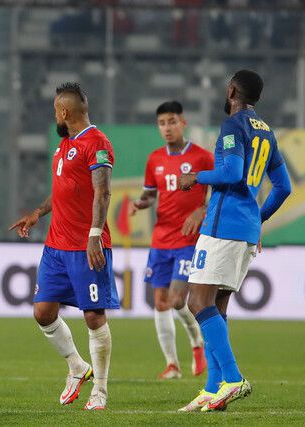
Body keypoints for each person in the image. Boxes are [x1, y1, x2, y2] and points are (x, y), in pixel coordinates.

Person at [178, 70, 291, 412]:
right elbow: (283, 187)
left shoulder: (233, 125)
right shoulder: (267, 132)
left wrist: (195, 176)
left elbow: (231, 174)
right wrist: (259, 219)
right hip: (244, 230)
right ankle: (215, 389)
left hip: (223, 226)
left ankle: (232, 377)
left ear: (231, 90)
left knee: (196, 302)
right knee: (217, 305)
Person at [10, 82, 118, 411]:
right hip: (56, 245)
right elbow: (63, 191)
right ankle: (76, 366)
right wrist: (38, 213)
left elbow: (103, 192)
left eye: (55, 110)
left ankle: (99, 391)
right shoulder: (65, 145)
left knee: (94, 316)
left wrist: (95, 234)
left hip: (86, 245)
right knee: (43, 312)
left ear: (64, 111)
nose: (54, 115)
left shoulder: (97, 143)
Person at [129, 101, 213, 380]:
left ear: (183, 122)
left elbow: (223, 189)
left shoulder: (202, 157)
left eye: (172, 121)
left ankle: (197, 343)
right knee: (161, 301)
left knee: (178, 300)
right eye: (162, 123)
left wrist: (202, 210)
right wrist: (141, 204)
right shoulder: (155, 159)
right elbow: (151, 194)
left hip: (189, 239)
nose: (167, 127)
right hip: (161, 238)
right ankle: (172, 365)